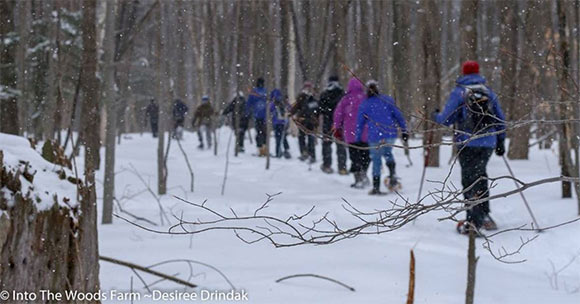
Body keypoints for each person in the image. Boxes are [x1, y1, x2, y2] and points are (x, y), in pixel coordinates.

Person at [433, 60, 506, 234]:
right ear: (478, 72)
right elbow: (500, 119)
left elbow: (446, 119)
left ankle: (473, 219)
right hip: (488, 142)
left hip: (467, 142)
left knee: (468, 179)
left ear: (464, 73)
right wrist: (501, 140)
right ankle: (484, 215)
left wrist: (435, 115)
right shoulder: (488, 92)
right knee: (480, 176)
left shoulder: (459, 93)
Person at [355, 80, 408, 195]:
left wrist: (358, 139)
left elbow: (359, 123)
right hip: (389, 133)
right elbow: (399, 116)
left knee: (376, 160)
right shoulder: (387, 100)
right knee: (388, 153)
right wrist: (404, 130)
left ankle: (376, 187)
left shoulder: (365, 104)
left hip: (374, 136)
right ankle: (393, 176)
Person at [333, 78, 370, 188]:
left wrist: (337, 127)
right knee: (365, 155)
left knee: (354, 155)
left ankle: (357, 176)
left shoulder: (345, 100)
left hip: (351, 134)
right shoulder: (366, 98)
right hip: (365, 133)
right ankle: (363, 172)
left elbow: (338, 115)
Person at [319, 76, 347, 174]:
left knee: (326, 144)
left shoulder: (325, 93)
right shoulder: (342, 94)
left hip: (328, 123)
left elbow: (320, 109)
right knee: (340, 145)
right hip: (339, 123)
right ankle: (342, 168)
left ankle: (327, 165)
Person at [290, 81, 318, 163]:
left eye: (309, 87)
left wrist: (316, 120)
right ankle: (304, 153)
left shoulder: (313, 98)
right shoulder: (301, 97)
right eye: (306, 87)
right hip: (302, 120)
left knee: (311, 138)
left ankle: (312, 155)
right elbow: (296, 107)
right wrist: (291, 112)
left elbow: (316, 110)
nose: (307, 89)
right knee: (301, 137)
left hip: (310, 121)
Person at [246, 77, 268, 156]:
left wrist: (247, 112)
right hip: (265, 116)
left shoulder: (254, 92)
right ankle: (264, 148)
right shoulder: (265, 91)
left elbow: (249, 103)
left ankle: (260, 149)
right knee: (264, 133)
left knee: (259, 133)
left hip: (257, 115)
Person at [270, 89, 291, 159]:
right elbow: (290, 109)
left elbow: (270, 109)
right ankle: (286, 150)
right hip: (284, 122)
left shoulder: (274, 102)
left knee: (278, 138)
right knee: (283, 136)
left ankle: (278, 152)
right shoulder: (284, 102)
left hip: (277, 123)